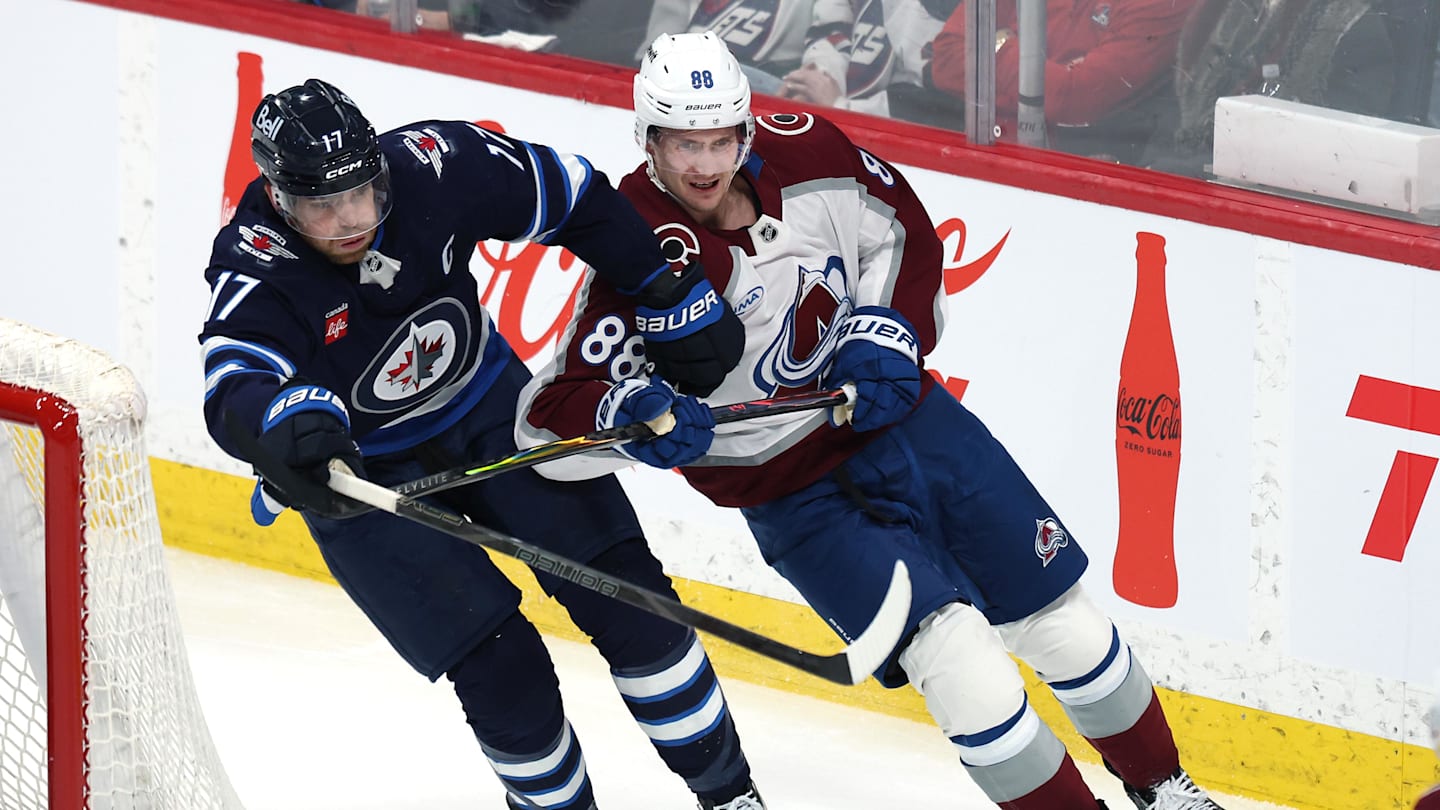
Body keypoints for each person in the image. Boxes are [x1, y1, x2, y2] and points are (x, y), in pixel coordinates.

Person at [517, 30, 1225, 810]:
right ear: (648, 137)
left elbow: (901, 234)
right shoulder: (634, 245)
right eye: (684, 142)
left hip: (914, 430)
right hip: (793, 497)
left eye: (721, 139)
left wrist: (886, 332)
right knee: (966, 671)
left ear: (747, 127)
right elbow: (550, 421)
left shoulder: (811, 150)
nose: (705, 164)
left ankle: (1167, 789)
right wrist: (636, 415)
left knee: (1068, 628)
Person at [198, 78, 764, 810]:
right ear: (278, 197)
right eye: (320, 206)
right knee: (504, 673)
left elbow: (572, 195)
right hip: (366, 477)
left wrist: (662, 285)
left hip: (492, 412)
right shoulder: (257, 260)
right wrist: (282, 424)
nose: (348, 221)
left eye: (360, 194)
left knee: (636, 605)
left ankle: (732, 797)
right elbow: (232, 383)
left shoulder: (437, 164)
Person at [929, 0, 1197, 165]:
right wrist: (1053, 76)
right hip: (979, 152)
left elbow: (1075, 97)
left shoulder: (1164, 3)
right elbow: (945, 58)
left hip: (1083, 180)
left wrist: (998, 44)